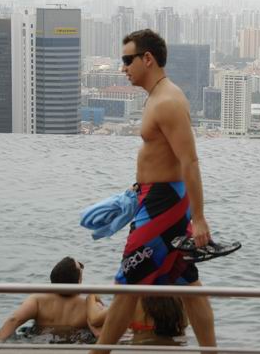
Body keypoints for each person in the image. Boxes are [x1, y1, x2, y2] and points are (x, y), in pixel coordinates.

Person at [90, 29, 216, 353]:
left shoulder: (168, 102)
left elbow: (189, 161)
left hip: (163, 206)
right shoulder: (157, 97)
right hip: (157, 199)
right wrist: (137, 192)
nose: (123, 68)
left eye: (127, 60)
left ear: (147, 59)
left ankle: (97, 352)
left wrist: (199, 218)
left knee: (126, 283)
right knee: (188, 282)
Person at [0, 257, 103, 342]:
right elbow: (101, 334)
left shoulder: (37, 300)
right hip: (74, 343)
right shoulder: (88, 306)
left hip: (41, 340)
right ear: (79, 281)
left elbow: (14, 320)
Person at [87, 294, 188, 341]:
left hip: (141, 349)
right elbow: (184, 327)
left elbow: (94, 319)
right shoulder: (178, 298)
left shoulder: (134, 300)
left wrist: (90, 296)